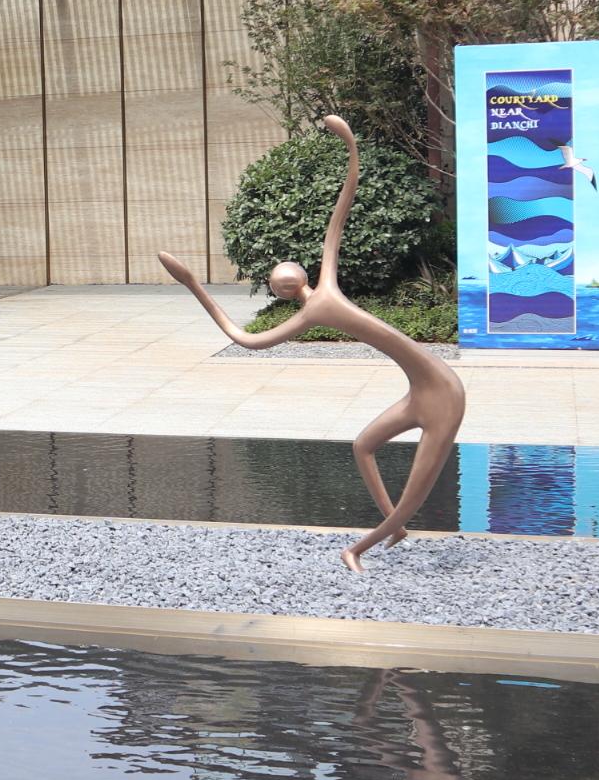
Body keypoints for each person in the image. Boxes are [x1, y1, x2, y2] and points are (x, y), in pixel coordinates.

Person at [156, 115, 466, 571]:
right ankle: (395, 529)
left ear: (281, 290)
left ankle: (358, 548)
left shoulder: (309, 312)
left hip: (443, 396)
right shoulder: (327, 283)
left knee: (410, 497)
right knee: (362, 446)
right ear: (301, 275)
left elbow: (244, 338)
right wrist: (349, 145)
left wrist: (193, 286)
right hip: (428, 388)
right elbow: (344, 199)